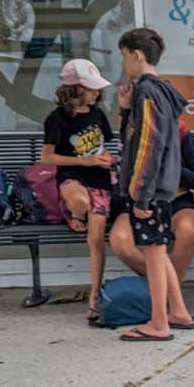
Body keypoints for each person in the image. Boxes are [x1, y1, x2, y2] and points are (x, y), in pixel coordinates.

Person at [115, 27, 194, 343]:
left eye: (123, 57)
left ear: (136, 55)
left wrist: (141, 195)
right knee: (158, 251)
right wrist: (124, 111)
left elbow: (148, 144)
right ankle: (178, 312)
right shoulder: (161, 92)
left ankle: (159, 323)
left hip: (150, 189)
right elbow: (138, 137)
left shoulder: (148, 93)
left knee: (153, 252)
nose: (123, 65)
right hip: (161, 187)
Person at [40, 59, 115, 323]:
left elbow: (104, 146)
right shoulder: (57, 119)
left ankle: (95, 296)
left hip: (101, 181)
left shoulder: (98, 114)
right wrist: (84, 161)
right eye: (91, 88)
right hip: (73, 177)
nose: (96, 93)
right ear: (74, 89)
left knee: (96, 239)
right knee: (80, 202)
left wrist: (105, 159)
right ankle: (72, 211)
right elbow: (47, 157)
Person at [110, 82, 194, 284]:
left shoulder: (180, 130)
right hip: (138, 201)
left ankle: (168, 297)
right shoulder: (132, 130)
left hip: (177, 199)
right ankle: (168, 289)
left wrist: (166, 168)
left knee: (187, 231)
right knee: (120, 241)